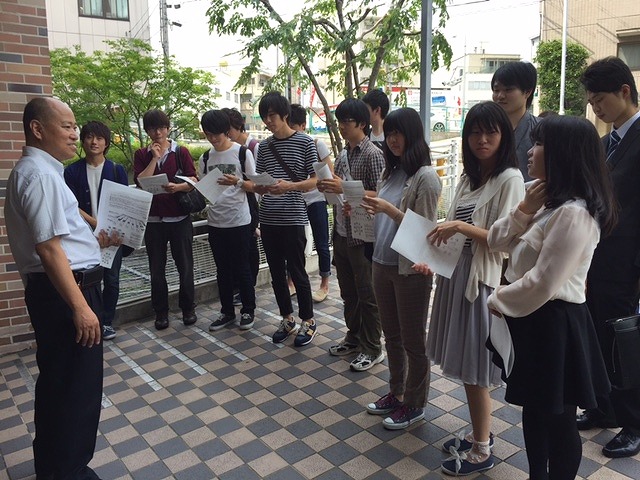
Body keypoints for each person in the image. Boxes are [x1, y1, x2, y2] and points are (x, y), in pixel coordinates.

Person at [486, 115, 615, 479]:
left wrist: (497, 300)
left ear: (563, 153)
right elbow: (495, 241)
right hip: (533, 319)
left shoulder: (575, 214)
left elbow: (544, 283)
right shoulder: (544, 200)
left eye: (540, 144)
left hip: (556, 324)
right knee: (535, 409)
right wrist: (524, 210)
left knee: (558, 420)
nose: (530, 151)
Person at [5, 97, 120, 480]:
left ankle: (55, 469)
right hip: (68, 294)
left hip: (60, 291)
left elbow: (61, 240)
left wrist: (94, 241)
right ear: (38, 129)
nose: (75, 135)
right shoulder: (39, 175)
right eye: (67, 126)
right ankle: (69, 471)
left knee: (59, 385)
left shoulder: (41, 172)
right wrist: (81, 307)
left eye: (75, 127)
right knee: (76, 392)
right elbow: (49, 249)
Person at [415, 101, 525, 476]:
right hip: (455, 276)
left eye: (491, 132)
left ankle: (482, 448)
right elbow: (450, 232)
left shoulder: (510, 179)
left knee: (476, 368)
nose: (482, 139)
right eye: (475, 132)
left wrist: (460, 228)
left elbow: (506, 241)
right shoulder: (469, 177)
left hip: (481, 281)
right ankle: (481, 434)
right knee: (466, 364)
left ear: (503, 136)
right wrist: (431, 257)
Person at [360, 108, 442, 429]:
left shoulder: (426, 177)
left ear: (413, 135)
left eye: (399, 133)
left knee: (413, 341)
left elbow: (425, 231)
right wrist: (370, 210)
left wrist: (390, 210)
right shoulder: (390, 172)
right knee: (391, 336)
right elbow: (385, 218)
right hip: (381, 263)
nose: (393, 140)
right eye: (389, 133)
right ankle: (396, 392)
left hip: (410, 270)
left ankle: (415, 403)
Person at [578, 56, 640, 459]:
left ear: (624, 91)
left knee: (625, 344)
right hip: (596, 261)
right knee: (599, 337)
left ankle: (634, 424)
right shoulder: (604, 144)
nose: (596, 108)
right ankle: (604, 408)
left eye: (600, 99)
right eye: (591, 101)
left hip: (627, 265)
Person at [317, 98, 386, 372]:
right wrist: (329, 187)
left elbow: (382, 194)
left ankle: (373, 347)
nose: (341, 126)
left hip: (363, 234)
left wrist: (343, 187)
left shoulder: (373, 154)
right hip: (342, 231)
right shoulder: (345, 153)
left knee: (367, 294)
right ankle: (354, 337)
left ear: (362, 124)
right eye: (339, 122)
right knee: (349, 292)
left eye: (346, 121)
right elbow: (343, 190)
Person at [253, 92, 318, 346]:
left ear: (285, 115)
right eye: (264, 116)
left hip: (293, 218)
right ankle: (287, 319)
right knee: (276, 274)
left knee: (298, 272)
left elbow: (315, 181)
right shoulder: (264, 147)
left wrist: (289, 186)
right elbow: (260, 180)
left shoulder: (305, 142)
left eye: (272, 115)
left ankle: (308, 321)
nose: (268, 121)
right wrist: (260, 186)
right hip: (268, 218)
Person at [133, 109, 197, 330]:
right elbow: (141, 181)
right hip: (154, 221)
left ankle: (188, 308)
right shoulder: (142, 154)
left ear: (168, 128)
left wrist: (177, 187)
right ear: (147, 131)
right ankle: (161, 312)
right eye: (152, 129)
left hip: (179, 218)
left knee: (185, 266)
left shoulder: (181, 152)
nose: (158, 133)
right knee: (156, 269)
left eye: (161, 128)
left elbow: (193, 180)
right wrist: (155, 158)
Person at [65, 121, 128, 341]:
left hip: (111, 236)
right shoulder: (71, 171)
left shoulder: (116, 170)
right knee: (87, 281)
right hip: (84, 235)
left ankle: (106, 322)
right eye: (90, 137)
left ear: (106, 143)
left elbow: (125, 203)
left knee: (112, 280)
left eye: (99, 138)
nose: (94, 142)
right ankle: (90, 321)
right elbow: (71, 205)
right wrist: (94, 223)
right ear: (83, 141)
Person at [199, 109, 257, 332]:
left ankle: (248, 310)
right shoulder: (205, 157)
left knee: (243, 268)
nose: (213, 139)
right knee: (222, 270)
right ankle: (227, 312)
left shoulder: (242, 153)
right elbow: (204, 187)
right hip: (215, 221)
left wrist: (237, 182)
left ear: (226, 130)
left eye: (216, 134)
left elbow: (255, 186)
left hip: (239, 220)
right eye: (208, 134)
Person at [288, 103, 333, 302]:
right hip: (296, 200)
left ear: (303, 126)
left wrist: (315, 184)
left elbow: (329, 173)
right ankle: (292, 281)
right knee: (294, 243)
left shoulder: (316, 144)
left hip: (316, 199)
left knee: (321, 243)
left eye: (294, 127)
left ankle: (324, 284)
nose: (292, 133)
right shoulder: (286, 145)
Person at [222, 107, 261, 304]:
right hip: (233, 207)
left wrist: (257, 217)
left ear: (238, 127)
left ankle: (248, 290)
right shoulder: (225, 150)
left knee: (249, 249)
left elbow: (258, 181)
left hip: (251, 202)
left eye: (228, 130)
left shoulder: (252, 148)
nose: (226, 134)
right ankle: (239, 289)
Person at [491, 61, 538, 181]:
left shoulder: (541, 130)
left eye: (508, 90)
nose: (500, 96)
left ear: (527, 92)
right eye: (496, 90)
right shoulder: (485, 130)